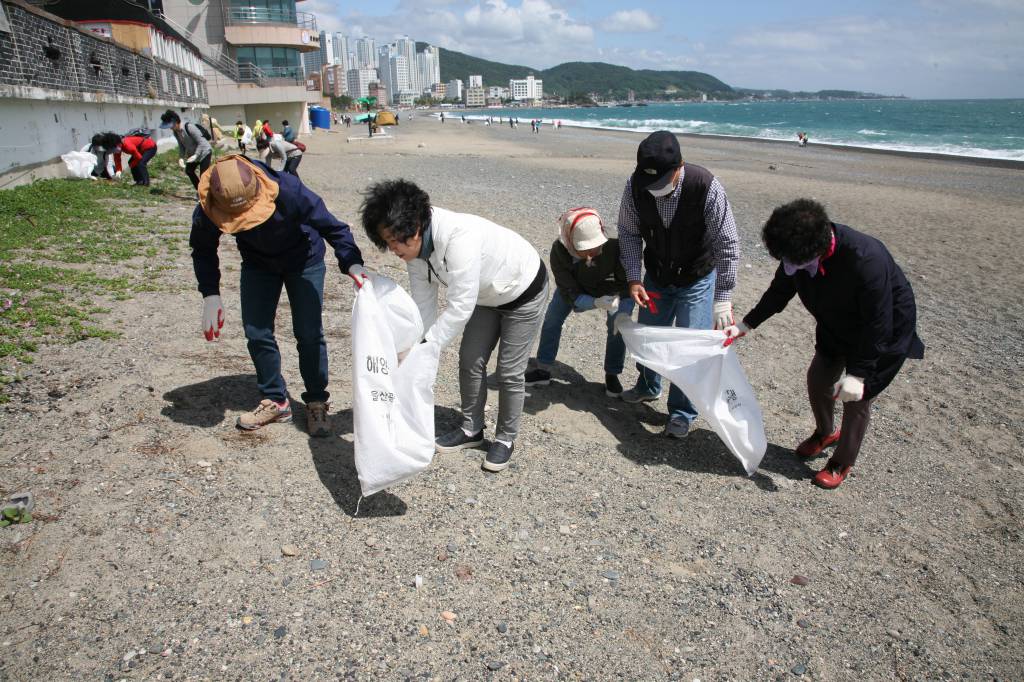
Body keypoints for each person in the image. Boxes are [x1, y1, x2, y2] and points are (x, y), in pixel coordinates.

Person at [723, 199, 924, 489]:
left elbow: (878, 324)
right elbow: (780, 291)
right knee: (818, 379)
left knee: (857, 398)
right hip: (835, 321)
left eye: (791, 261)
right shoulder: (796, 251)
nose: (788, 266)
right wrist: (747, 324)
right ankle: (825, 432)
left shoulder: (866, 259)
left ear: (814, 250)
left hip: (884, 332)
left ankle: (842, 461)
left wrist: (858, 374)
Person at [360, 179, 549, 473]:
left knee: (510, 371)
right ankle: (472, 429)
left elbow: (460, 306)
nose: (393, 248)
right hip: (486, 295)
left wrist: (423, 349)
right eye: (387, 242)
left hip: (522, 290)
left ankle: (505, 438)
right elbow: (424, 306)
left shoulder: (459, 237)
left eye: (396, 240)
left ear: (417, 226)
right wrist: (412, 347)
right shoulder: (414, 251)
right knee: (469, 360)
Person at [190, 155, 366, 435]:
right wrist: (210, 294)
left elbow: (335, 228)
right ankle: (276, 400)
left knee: (309, 333)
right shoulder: (211, 204)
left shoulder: (287, 189)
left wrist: (352, 263)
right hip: (258, 264)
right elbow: (202, 249)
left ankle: (317, 400)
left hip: (305, 258)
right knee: (256, 331)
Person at [617, 130, 740, 438]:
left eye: (661, 182)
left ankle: (682, 411)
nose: (654, 189)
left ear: (679, 166)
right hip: (656, 277)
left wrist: (723, 297)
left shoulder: (706, 186)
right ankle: (647, 386)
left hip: (696, 278)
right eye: (650, 183)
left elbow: (727, 243)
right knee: (649, 337)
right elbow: (629, 234)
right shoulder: (635, 187)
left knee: (690, 347)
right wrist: (633, 277)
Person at [525, 208, 634, 396]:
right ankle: (543, 368)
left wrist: (618, 298)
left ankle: (612, 374)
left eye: (596, 246)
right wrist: (595, 303)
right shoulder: (559, 251)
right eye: (586, 249)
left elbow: (627, 280)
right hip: (575, 288)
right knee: (552, 320)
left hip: (610, 290)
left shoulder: (615, 245)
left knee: (617, 325)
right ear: (571, 243)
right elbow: (570, 293)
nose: (593, 251)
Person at [160, 109, 212, 190]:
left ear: (176, 122)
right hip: (193, 155)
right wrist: (181, 158)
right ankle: (200, 191)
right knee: (189, 171)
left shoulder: (189, 127)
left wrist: (196, 155)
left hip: (204, 152)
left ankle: (206, 195)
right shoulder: (176, 132)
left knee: (203, 176)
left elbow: (201, 142)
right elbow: (182, 146)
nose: (171, 128)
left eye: (171, 126)